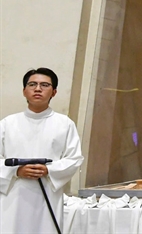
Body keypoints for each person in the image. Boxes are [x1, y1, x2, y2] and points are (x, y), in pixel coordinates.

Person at [0, 67, 84, 234]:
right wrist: (16, 171)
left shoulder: (65, 124)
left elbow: (74, 159)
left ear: (54, 92)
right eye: (32, 84)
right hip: (13, 197)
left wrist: (48, 170)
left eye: (44, 85)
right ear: (24, 91)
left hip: (48, 194)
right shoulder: (7, 123)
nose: (38, 89)